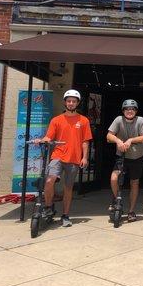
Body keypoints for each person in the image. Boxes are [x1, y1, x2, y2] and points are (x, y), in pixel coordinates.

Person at [34, 89, 92, 227]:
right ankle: (48, 207)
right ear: (65, 102)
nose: (71, 103)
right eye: (69, 101)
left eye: (74, 101)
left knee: (68, 188)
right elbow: (49, 136)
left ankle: (65, 215)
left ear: (77, 103)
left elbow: (85, 141)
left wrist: (85, 157)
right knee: (49, 180)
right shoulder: (56, 120)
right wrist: (41, 140)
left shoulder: (83, 120)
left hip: (74, 158)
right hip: (58, 155)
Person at [106, 99, 143, 222]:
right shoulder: (119, 119)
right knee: (114, 178)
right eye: (127, 109)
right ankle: (116, 200)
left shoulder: (140, 120)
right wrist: (118, 141)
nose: (130, 111)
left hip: (136, 157)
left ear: (136, 111)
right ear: (123, 110)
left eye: (132, 109)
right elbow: (109, 135)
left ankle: (131, 211)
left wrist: (130, 140)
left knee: (134, 183)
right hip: (122, 156)